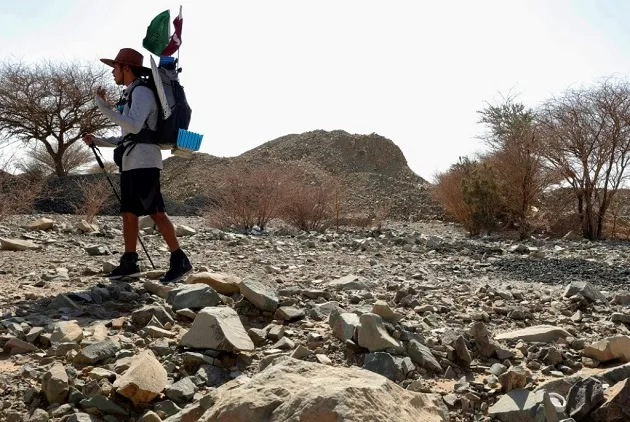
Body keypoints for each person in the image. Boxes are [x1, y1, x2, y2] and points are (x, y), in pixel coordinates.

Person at [83, 48, 192, 284]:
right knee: (129, 213)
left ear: (126, 68)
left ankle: (180, 260)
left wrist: (103, 106)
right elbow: (128, 136)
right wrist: (98, 140)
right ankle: (130, 262)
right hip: (133, 161)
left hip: (145, 162)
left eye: (115, 67)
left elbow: (132, 127)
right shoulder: (132, 94)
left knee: (155, 211)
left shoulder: (142, 92)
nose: (112, 72)